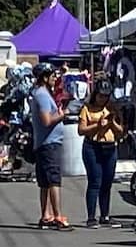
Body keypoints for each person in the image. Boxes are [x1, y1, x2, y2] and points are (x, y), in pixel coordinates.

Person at [78, 76, 126, 228]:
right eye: (100, 96)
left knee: (107, 182)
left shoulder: (112, 108)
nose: (102, 99)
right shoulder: (87, 109)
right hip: (92, 147)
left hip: (110, 147)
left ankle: (105, 215)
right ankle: (91, 217)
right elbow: (81, 130)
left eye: (106, 96)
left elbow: (120, 131)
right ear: (95, 94)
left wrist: (111, 123)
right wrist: (98, 125)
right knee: (95, 182)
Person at [29, 63, 73, 230]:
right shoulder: (41, 94)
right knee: (53, 180)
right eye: (52, 75)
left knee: (45, 182)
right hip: (48, 144)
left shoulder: (42, 93)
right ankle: (57, 216)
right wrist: (61, 115)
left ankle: (46, 216)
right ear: (45, 77)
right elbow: (47, 120)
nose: (55, 78)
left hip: (45, 143)